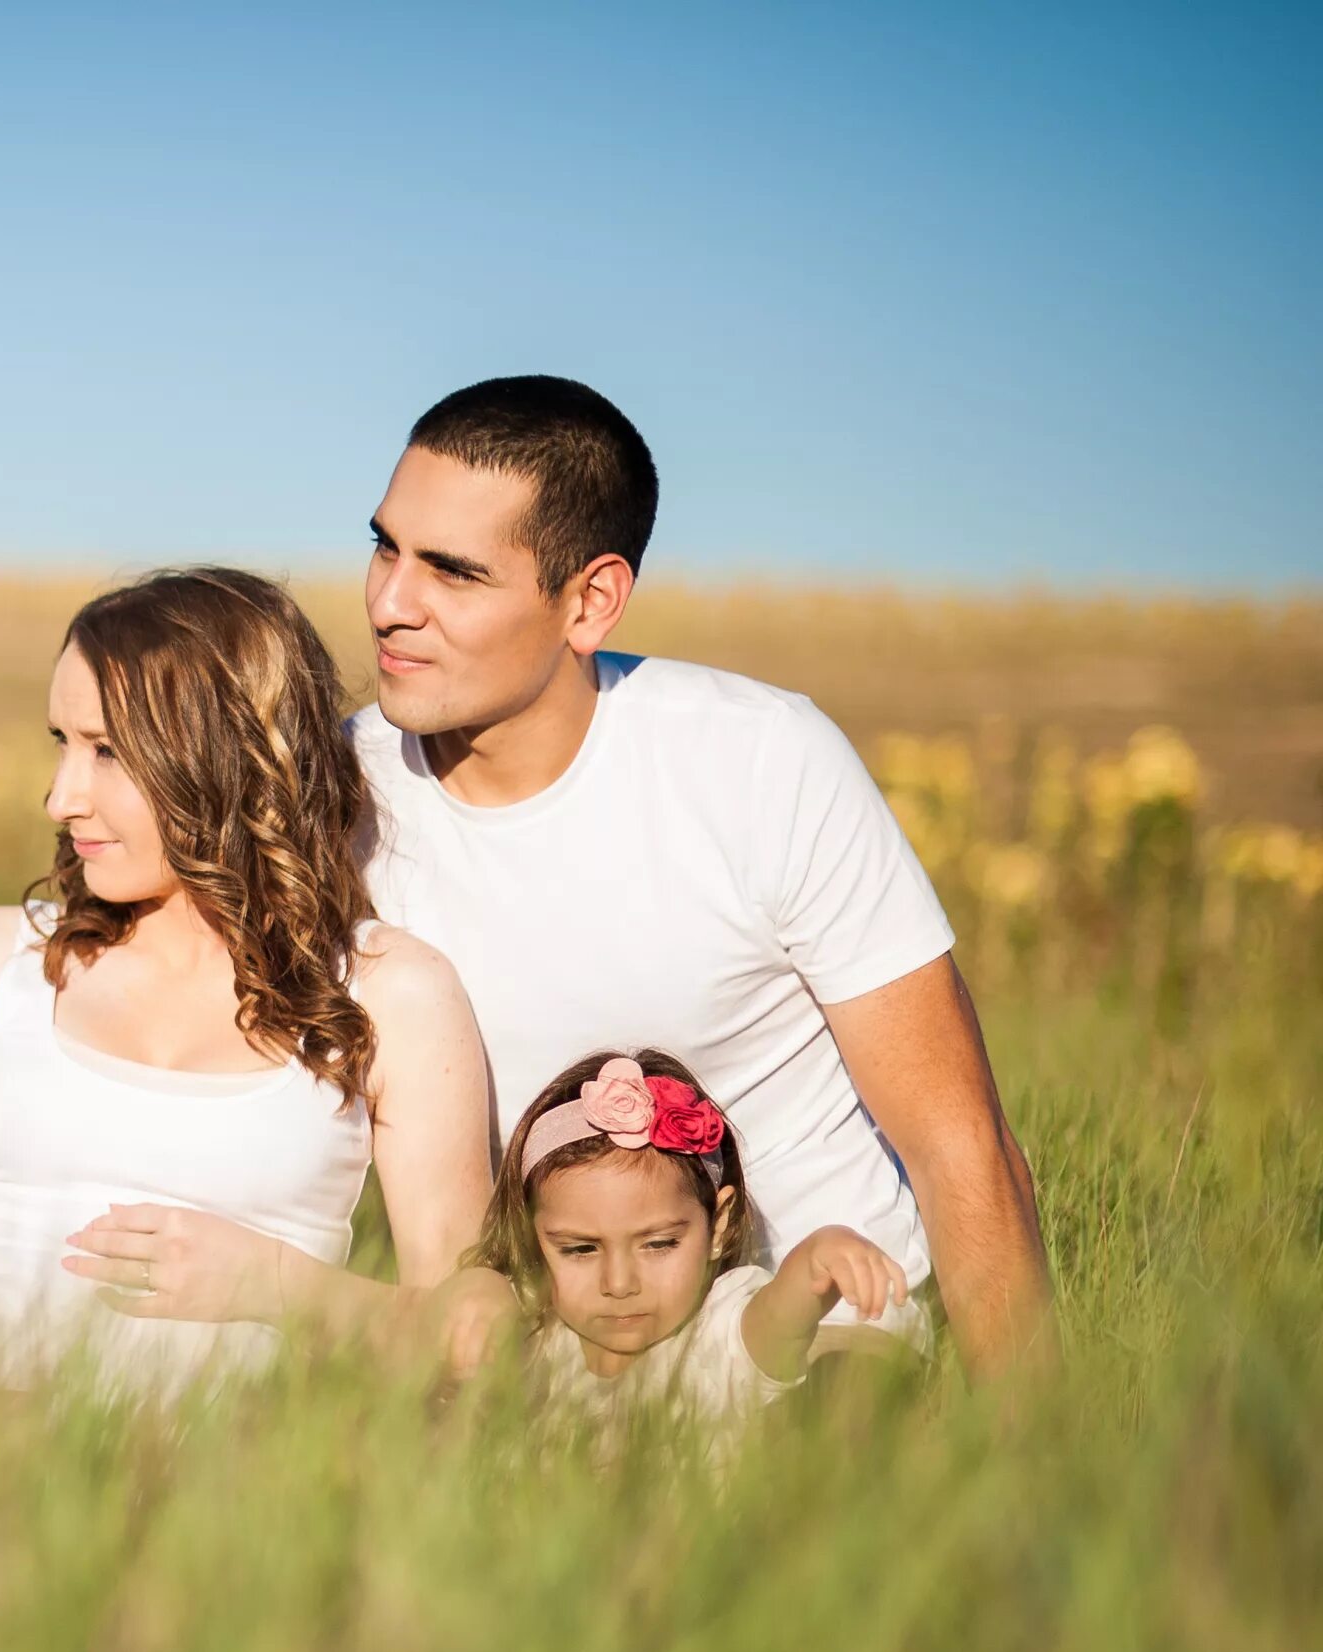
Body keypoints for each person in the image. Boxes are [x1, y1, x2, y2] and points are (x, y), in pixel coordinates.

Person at [340, 375, 1051, 1376]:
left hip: (824, 1344)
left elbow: (959, 1140)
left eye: (453, 573)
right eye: (385, 546)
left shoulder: (763, 760)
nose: (389, 602)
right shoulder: (332, 793)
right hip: (545, 1358)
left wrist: (1037, 1464)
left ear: (590, 601)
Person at [0, 567, 493, 1400]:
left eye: (107, 752)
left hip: (226, 1508)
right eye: (61, 742)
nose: (61, 798)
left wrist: (279, 1285)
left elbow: (477, 1338)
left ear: (231, 754)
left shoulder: (391, 994)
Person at [468, 1049, 915, 1439]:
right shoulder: (535, 1336)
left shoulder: (721, 1334)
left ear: (718, 1227)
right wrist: (473, 1291)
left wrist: (817, 1257)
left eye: (659, 1244)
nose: (619, 1283)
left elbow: (778, 1320)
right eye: (581, 1249)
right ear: (531, 1236)